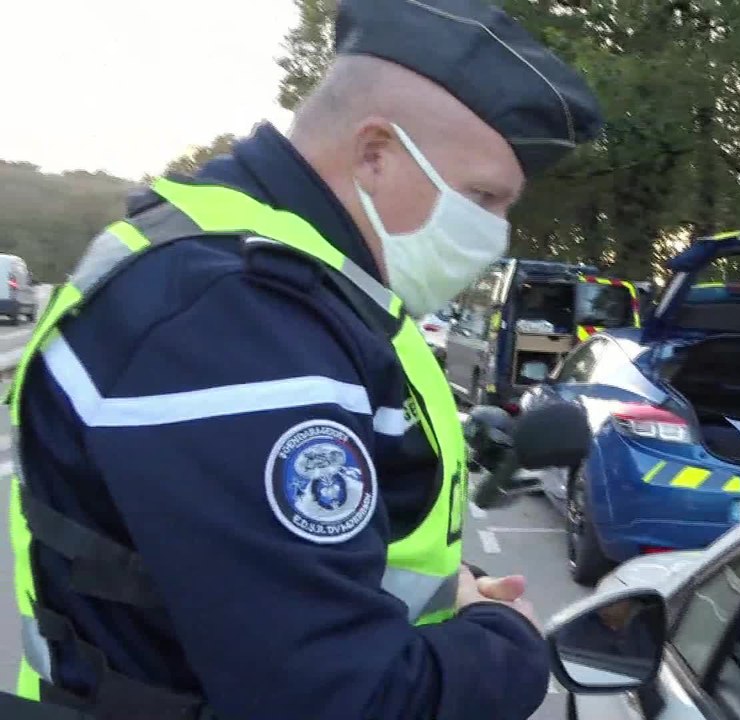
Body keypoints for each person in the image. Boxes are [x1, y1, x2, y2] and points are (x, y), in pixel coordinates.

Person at [3, 0, 602, 719]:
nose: (494, 234)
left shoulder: (303, 288)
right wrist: (508, 644)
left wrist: (454, 594)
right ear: (376, 154)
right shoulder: (233, 324)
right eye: (482, 197)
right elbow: (338, 700)